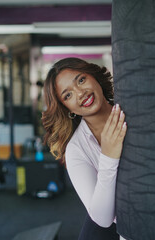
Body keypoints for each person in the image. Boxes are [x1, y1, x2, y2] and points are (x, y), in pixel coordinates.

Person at [42, 58, 127, 240]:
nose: (80, 93)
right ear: (67, 108)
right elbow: (102, 220)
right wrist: (108, 157)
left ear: (94, 77)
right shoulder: (76, 149)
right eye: (68, 95)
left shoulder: (133, 110)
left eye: (81, 80)